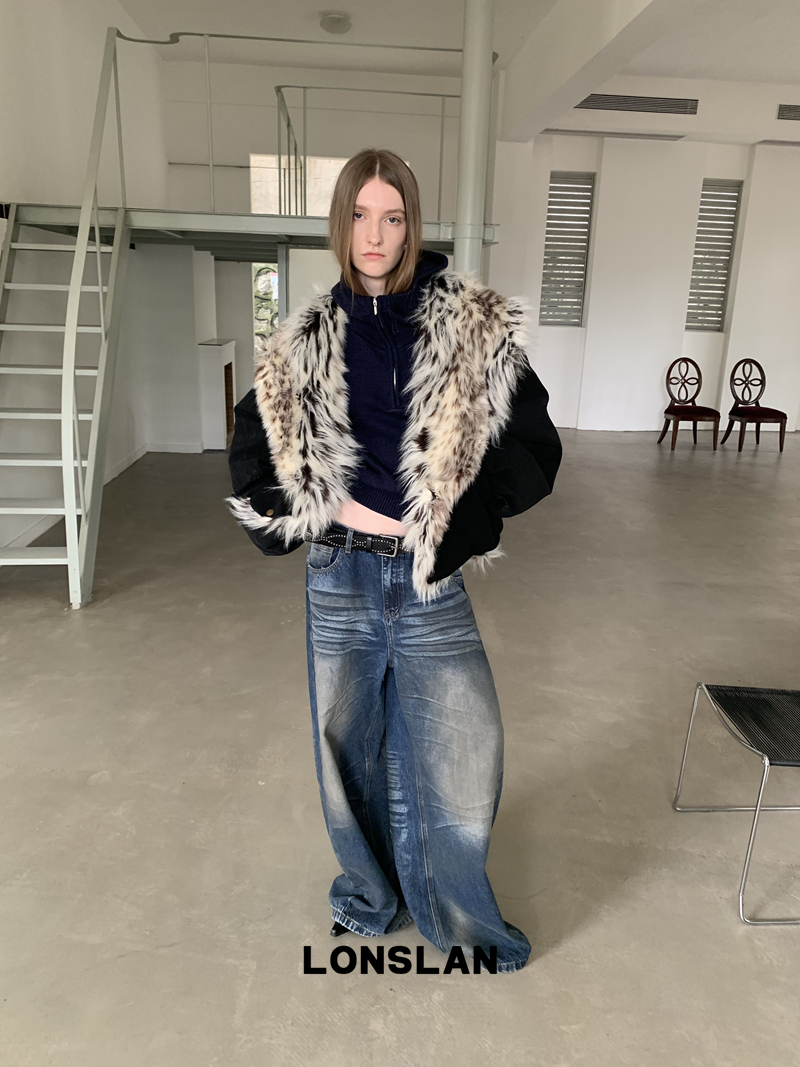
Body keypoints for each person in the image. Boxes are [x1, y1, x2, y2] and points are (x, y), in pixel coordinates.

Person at [227, 148, 562, 974]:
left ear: (411, 226)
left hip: (424, 576)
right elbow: (252, 443)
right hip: (338, 572)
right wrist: (296, 507)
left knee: (464, 745)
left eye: (392, 217)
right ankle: (370, 896)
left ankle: (460, 914)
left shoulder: (469, 325)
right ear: (340, 224)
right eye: (359, 216)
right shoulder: (304, 339)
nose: (374, 235)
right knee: (345, 748)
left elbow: (534, 446)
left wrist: (464, 522)